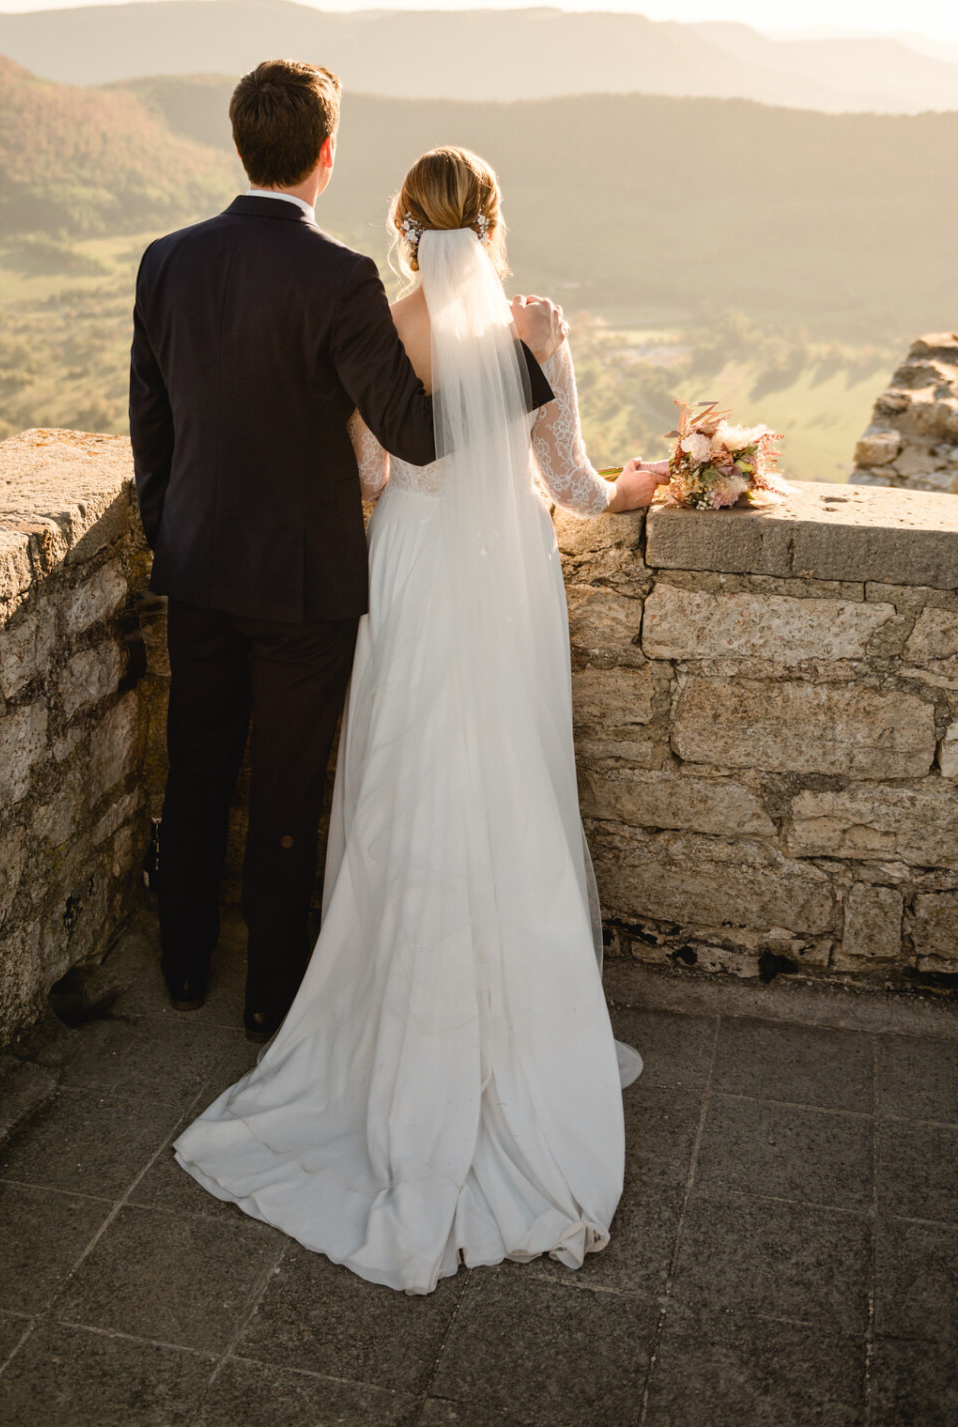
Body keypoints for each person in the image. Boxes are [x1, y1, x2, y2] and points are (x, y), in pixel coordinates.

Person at [174, 145, 661, 1294]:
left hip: (409, 572)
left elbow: (373, 475)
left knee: (400, 783)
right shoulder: (535, 328)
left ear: (402, 225)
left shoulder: (379, 325)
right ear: (492, 222)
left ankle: (389, 1008)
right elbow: (577, 487)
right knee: (506, 787)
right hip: (504, 585)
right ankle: (516, 1029)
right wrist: (661, 482)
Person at [129, 68, 560, 1042]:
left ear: (242, 147)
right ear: (327, 157)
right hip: (306, 585)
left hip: (196, 566)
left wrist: (170, 530)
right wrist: (525, 367)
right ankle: (270, 998)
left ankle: (185, 967)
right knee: (286, 790)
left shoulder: (165, 261)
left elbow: (149, 424)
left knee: (193, 774)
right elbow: (413, 433)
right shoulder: (337, 280)